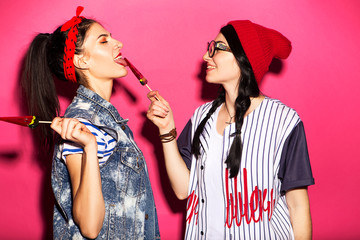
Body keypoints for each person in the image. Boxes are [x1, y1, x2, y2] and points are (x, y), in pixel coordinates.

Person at [147, 20, 314, 239]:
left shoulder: (284, 122)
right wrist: (166, 131)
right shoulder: (201, 117)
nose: (206, 56)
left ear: (244, 58)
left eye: (217, 48)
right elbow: (182, 190)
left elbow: (298, 206)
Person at [21, 6, 160, 239]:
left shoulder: (106, 121)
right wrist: (90, 145)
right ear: (81, 61)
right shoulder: (83, 123)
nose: (119, 44)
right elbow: (89, 226)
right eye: (104, 41)